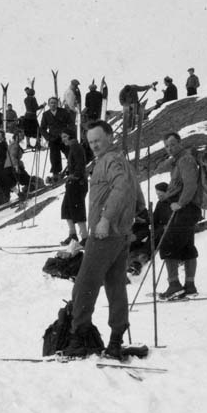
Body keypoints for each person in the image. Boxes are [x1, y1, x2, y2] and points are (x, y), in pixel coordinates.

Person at [63, 120, 146, 359]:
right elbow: (133, 188)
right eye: (91, 142)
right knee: (115, 285)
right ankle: (115, 340)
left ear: (109, 136)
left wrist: (106, 219)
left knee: (85, 284)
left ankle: (78, 339)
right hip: (120, 234)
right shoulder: (119, 160)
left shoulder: (110, 160)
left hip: (106, 234)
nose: (95, 145)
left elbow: (121, 187)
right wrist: (138, 210)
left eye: (98, 140)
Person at [158, 132, 201, 299]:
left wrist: (180, 203)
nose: (170, 148)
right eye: (167, 146)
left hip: (185, 208)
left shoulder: (185, 160)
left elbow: (190, 185)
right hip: (187, 208)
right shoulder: (179, 160)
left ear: (180, 143)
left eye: (172, 144)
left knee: (168, 243)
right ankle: (189, 286)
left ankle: (174, 285)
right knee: (186, 246)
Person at [59, 129, 88, 245]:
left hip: (78, 183)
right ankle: (73, 235)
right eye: (62, 138)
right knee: (66, 208)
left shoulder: (76, 147)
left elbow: (80, 165)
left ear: (71, 136)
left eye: (65, 136)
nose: (63, 140)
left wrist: (74, 176)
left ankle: (85, 237)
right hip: (73, 182)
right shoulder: (73, 147)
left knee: (77, 209)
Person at [40, 97, 74, 182]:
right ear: (48, 104)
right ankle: (56, 173)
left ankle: (72, 168)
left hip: (64, 138)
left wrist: (67, 133)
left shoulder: (63, 112)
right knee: (54, 156)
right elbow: (42, 128)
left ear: (57, 103)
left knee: (69, 152)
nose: (53, 104)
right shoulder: (46, 114)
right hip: (53, 139)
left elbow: (70, 123)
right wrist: (48, 138)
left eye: (55, 103)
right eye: (51, 103)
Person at [5, 129, 29, 197]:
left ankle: (19, 193)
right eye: (20, 136)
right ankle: (26, 191)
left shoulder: (13, 144)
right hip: (13, 166)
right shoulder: (15, 145)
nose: (22, 137)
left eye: (22, 136)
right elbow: (13, 156)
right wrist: (16, 166)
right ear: (16, 136)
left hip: (8, 166)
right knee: (26, 179)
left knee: (12, 182)